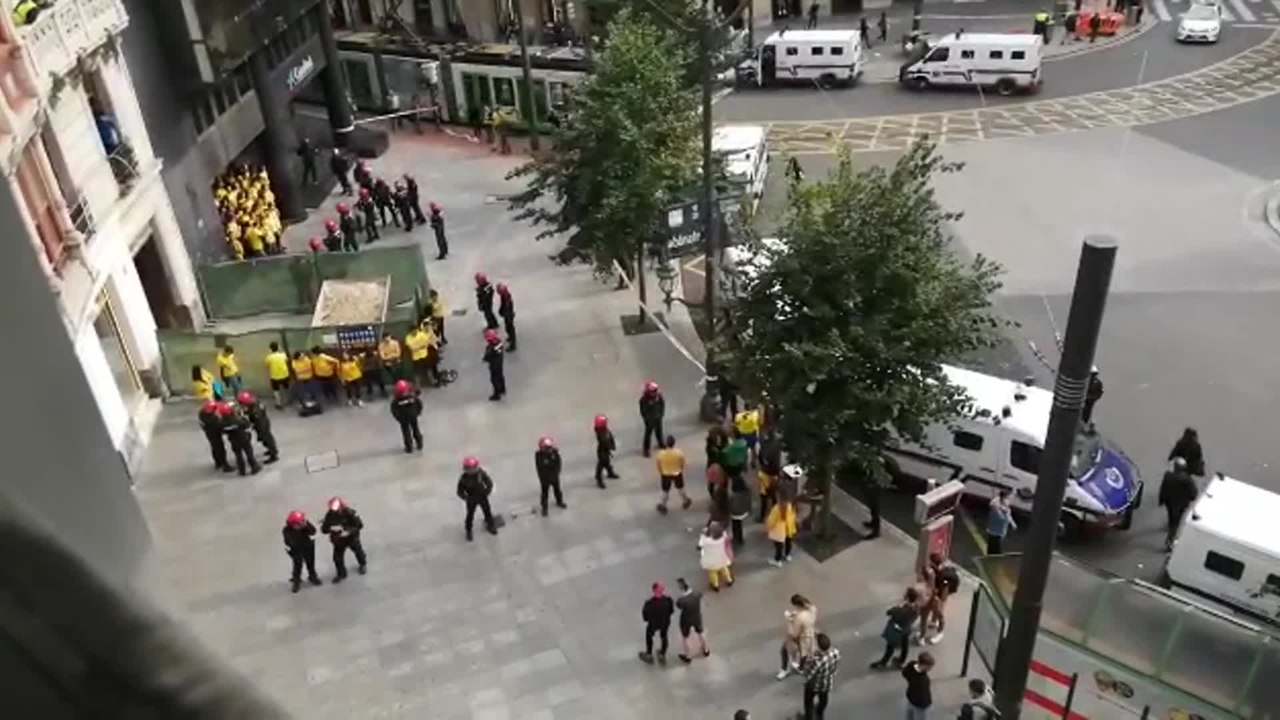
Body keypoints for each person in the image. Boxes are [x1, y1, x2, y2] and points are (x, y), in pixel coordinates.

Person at [871, 587, 920, 669]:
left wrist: (898, 606)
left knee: (890, 646)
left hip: (897, 630)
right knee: (905, 645)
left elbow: (889, 612)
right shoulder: (916, 607)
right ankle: (901, 660)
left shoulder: (902, 609)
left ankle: (884, 662)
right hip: (906, 628)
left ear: (907, 597)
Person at [321, 496, 367, 582]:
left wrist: (348, 531)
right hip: (338, 540)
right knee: (337, 558)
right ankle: (341, 574)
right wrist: (331, 528)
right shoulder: (330, 515)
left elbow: (359, 526)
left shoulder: (350, 513)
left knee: (358, 551)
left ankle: (362, 564)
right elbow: (324, 529)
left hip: (351, 538)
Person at [1159, 457, 1198, 552]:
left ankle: (1169, 525)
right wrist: (1190, 498)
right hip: (1181, 505)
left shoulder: (1168, 476)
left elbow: (1163, 488)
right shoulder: (1188, 480)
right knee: (1176, 523)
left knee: (1171, 516)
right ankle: (1170, 541)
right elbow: (1193, 493)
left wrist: (1162, 499)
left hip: (1169, 502)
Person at [921, 552, 959, 645]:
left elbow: (945, 588)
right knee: (935, 611)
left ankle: (940, 633)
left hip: (940, 595)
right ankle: (934, 621)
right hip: (937, 593)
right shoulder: (941, 568)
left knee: (940, 614)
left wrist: (941, 601)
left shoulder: (945, 576)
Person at [777, 594, 818, 680]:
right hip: (809, 635)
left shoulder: (800, 618)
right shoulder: (812, 609)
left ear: (796, 605)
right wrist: (795, 614)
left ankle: (784, 669)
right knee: (804, 653)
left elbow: (794, 634)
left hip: (801, 637)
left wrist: (788, 620)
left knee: (784, 650)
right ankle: (801, 667)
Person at [457, 456, 498, 540]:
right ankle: (468, 530)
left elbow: (489, 482)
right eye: (469, 469)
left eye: (473, 468)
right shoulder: (463, 479)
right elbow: (460, 492)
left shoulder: (481, 474)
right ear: (466, 469)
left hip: (482, 496)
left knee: (487, 511)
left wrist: (487, 491)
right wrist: (467, 498)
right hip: (471, 498)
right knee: (470, 515)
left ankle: (490, 525)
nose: (472, 470)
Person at [800, 633, 840, 720]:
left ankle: (808, 717)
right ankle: (819, 712)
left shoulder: (816, 660)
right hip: (827, 683)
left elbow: (808, 674)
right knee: (823, 699)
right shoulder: (835, 653)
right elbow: (835, 666)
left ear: (818, 647)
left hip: (814, 685)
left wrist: (806, 661)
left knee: (808, 703)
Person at [282, 510, 323, 593]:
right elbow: (293, 542)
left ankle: (312, 577)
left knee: (310, 563)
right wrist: (298, 530)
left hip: (308, 547)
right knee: (297, 566)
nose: (302, 523)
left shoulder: (304, 524)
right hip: (296, 550)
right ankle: (296, 581)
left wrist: (306, 526)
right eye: (299, 522)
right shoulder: (287, 530)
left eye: (302, 521)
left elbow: (313, 531)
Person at [218, 401, 261, 476]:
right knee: (249, 453)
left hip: (233, 440)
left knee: (238, 455)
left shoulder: (222, 423)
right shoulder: (238, 420)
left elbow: (223, 431)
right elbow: (247, 425)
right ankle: (254, 467)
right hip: (244, 438)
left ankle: (242, 470)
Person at [639, 581, 675, 664]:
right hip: (665, 622)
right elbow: (671, 611)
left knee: (649, 636)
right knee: (664, 636)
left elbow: (645, 618)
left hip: (653, 624)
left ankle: (649, 654)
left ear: (654, 590)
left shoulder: (649, 604)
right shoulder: (668, 600)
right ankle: (662, 654)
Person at [675, 577, 711, 663]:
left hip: (686, 619)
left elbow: (679, 606)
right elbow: (701, 596)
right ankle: (706, 649)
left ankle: (688, 656)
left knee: (685, 637)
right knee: (700, 632)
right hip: (696, 616)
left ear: (681, 588)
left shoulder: (681, 600)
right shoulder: (697, 593)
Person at [237, 391, 279, 464]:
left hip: (261, 424)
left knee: (266, 438)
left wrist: (254, 427)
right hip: (264, 421)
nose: (241, 405)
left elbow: (258, 421)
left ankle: (273, 455)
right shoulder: (254, 402)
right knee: (267, 438)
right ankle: (272, 450)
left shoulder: (255, 411)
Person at [655, 435, 692, 513]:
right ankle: (685, 501)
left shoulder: (661, 454)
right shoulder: (679, 453)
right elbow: (682, 463)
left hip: (665, 473)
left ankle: (663, 505)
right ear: (674, 443)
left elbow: (658, 464)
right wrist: (680, 469)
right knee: (680, 488)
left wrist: (661, 471)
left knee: (665, 491)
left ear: (666, 444)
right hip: (677, 472)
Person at [198, 400, 234, 473]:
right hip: (214, 433)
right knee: (220, 449)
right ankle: (225, 465)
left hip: (209, 433)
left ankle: (218, 463)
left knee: (214, 447)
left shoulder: (202, 413)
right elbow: (220, 425)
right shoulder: (212, 419)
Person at [534, 436, 567, 516]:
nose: (549, 449)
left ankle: (559, 501)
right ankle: (544, 508)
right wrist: (543, 477)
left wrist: (557, 472)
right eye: (547, 448)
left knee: (557, 490)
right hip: (545, 478)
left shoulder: (554, 452)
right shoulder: (539, 455)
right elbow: (540, 468)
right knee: (545, 493)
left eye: (550, 447)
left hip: (554, 475)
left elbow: (558, 463)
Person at [389, 379, 424, 453]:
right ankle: (419, 443)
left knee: (406, 432)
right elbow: (419, 403)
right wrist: (418, 412)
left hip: (403, 418)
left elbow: (394, 410)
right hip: (413, 416)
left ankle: (409, 447)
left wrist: (398, 418)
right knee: (415, 429)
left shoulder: (396, 401)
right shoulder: (412, 397)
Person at [698, 522, 734, 592]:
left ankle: (715, 585)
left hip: (711, 560)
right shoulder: (723, 536)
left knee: (712, 573)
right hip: (722, 557)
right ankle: (729, 580)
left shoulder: (706, 541)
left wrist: (703, 534)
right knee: (724, 568)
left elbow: (700, 544)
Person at [766, 491, 798, 567]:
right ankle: (787, 555)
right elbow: (793, 517)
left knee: (779, 546)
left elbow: (771, 520)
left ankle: (778, 560)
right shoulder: (790, 506)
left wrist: (768, 527)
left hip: (778, 530)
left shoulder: (777, 508)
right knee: (788, 542)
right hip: (789, 529)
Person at [902, 652, 935, 719]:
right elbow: (924, 694)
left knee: (909, 715)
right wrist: (928, 703)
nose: (930, 668)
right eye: (929, 667)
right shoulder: (922, 680)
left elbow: (904, 672)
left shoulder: (912, 667)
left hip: (911, 698)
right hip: (919, 704)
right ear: (924, 665)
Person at [757, 429, 782, 522]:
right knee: (773, 495)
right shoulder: (777, 444)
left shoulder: (765, 444)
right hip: (774, 473)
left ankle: (762, 516)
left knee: (764, 496)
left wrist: (763, 464)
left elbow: (760, 456)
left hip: (766, 472)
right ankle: (776, 514)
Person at [638, 380, 666, 457]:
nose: (655, 392)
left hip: (658, 418)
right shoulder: (644, 400)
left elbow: (662, 405)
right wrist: (647, 419)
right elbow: (643, 411)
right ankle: (646, 449)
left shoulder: (658, 396)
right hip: (649, 420)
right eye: (653, 391)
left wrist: (661, 414)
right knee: (648, 435)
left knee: (659, 432)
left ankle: (661, 443)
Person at [985, 488, 1016, 555]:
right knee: (995, 548)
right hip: (994, 531)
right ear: (1004, 496)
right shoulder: (995, 504)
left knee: (994, 547)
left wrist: (1012, 523)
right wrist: (1004, 511)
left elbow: (1008, 514)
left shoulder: (1005, 502)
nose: (1010, 499)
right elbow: (1000, 517)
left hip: (1000, 530)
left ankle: (991, 556)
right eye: (1009, 497)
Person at [594, 414, 619, 488]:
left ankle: (610, 473)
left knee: (607, 463)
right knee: (601, 464)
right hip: (603, 451)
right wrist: (610, 448)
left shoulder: (605, 430)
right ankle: (598, 478)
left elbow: (610, 437)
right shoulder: (600, 433)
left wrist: (612, 445)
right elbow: (605, 442)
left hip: (606, 450)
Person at [263, 342, 291, 409]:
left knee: (276, 391)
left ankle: (278, 403)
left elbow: (266, 365)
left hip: (274, 377)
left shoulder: (269, 357)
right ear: (278, 348)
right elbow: (286, 360)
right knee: (286, 388)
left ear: (270, 349)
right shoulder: (283, 355)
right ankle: (287, 401)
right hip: (285, 375)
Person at [497, 283, 517, 352]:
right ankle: (511, 338)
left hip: (508, 315)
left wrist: (504, 313)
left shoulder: (506, 298)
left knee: (510, 328)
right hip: (508, 314)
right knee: (508, 327)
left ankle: (513, 345)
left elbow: (506, 307)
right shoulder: (505, 295)